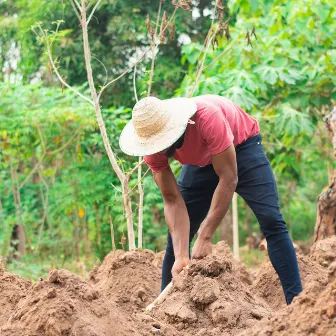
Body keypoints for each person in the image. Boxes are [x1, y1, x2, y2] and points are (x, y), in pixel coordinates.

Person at [119, 94, 302, 305]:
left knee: (271, 220)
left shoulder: (206, 118)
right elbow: (171, 200)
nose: (158, 151)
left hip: (242, 147)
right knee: (178, 239)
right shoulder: (151, 148)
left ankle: (296, 304)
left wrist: (206, 236)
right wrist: (181, 256)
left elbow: (229, 178)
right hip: (201, 163)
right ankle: (165, 315)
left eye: (162, 144)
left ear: (174, 130)